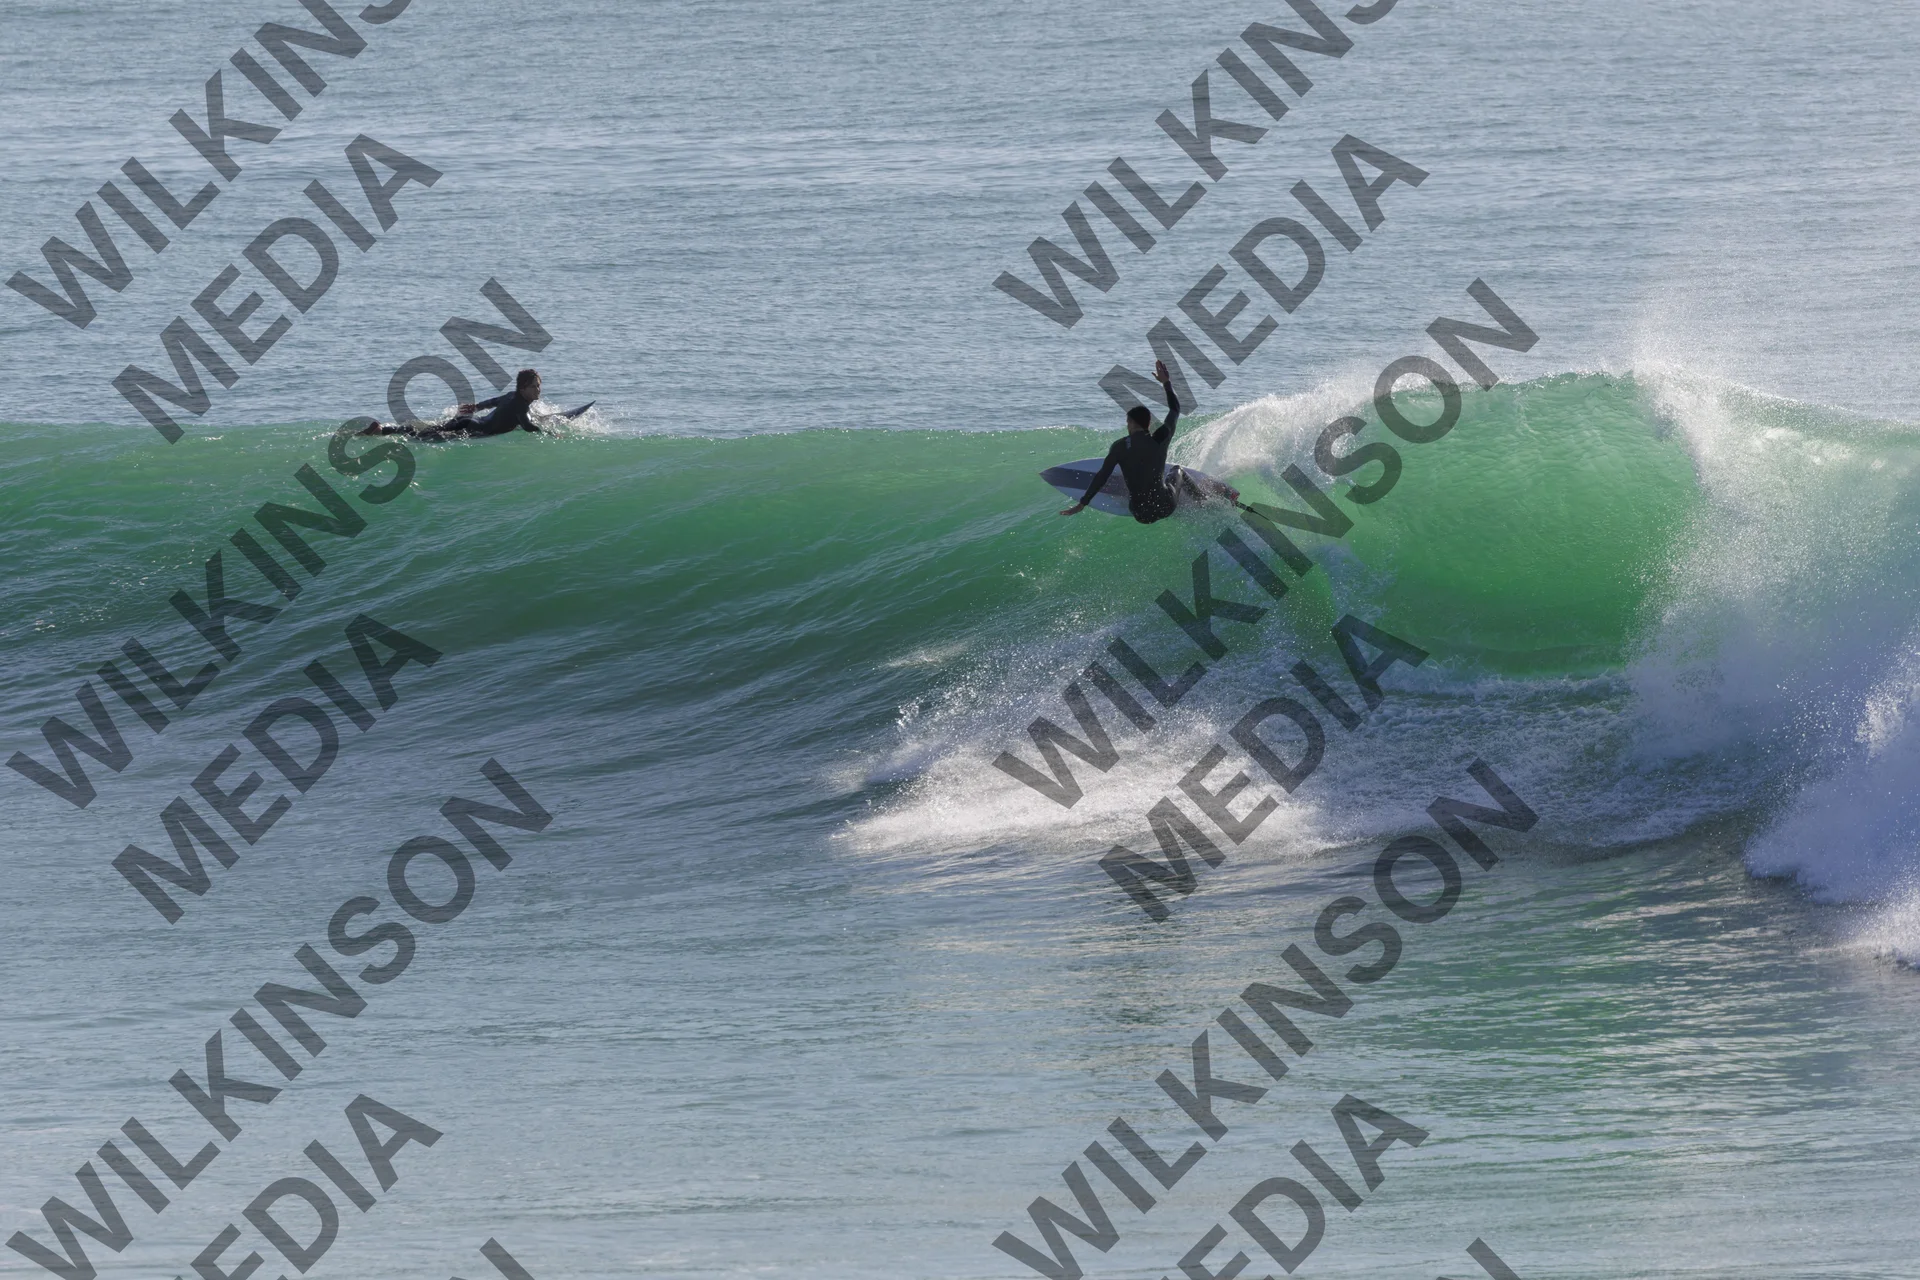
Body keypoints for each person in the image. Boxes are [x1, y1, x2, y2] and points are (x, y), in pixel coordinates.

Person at [1060, 359, 1183, 523]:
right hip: (1166, 506)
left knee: (1134, 484)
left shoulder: (1119, 447)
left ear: (1130, 423)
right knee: (1177, 470)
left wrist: (1082, 503)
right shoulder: (1161, 436)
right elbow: (1175, 409)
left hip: (1140, 514)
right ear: (1147, 424)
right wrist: (1166, 382)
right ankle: (1202, 497)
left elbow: (1102, 476)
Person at [360, 368, 549, 439]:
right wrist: (548, 433)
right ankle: (382, 431)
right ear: (523, 388)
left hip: (469, 420)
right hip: (473, 429)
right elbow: (528, 426)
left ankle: (384, 429)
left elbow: (493, 401)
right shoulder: (521, 406)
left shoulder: (511, 395)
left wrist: (476, 407)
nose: (538, 390)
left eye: (539, 386)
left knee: (430, 429)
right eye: (534, 386)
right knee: (424, 437)